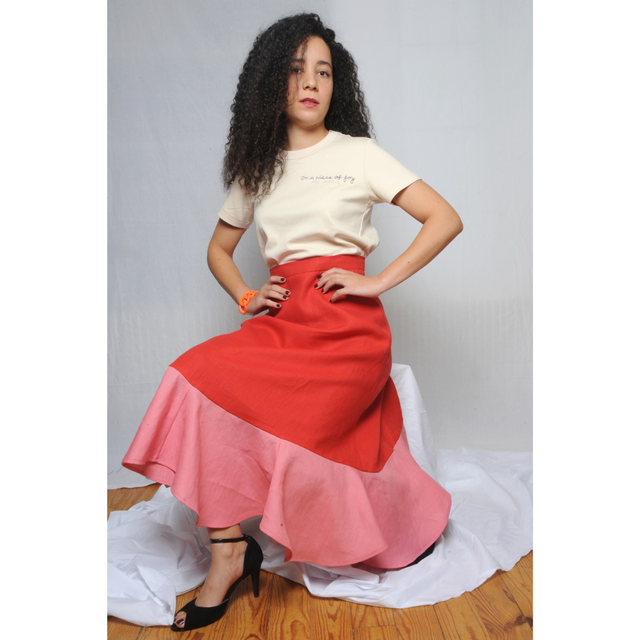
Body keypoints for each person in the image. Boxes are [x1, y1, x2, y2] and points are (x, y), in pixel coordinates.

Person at [122, 12, 463, 632]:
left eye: (324, 72)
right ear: (270, 82)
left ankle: (389, 525)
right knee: (194, 380)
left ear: (338, 85)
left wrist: (376, 281)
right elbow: (218, 250)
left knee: (296, 421)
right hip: (281, 325)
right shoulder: (259, 167)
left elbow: (444, 217)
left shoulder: (359, 154)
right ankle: (229, 551)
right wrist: (247, 295)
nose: (311, 83)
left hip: (348, 333)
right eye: (297, 70)